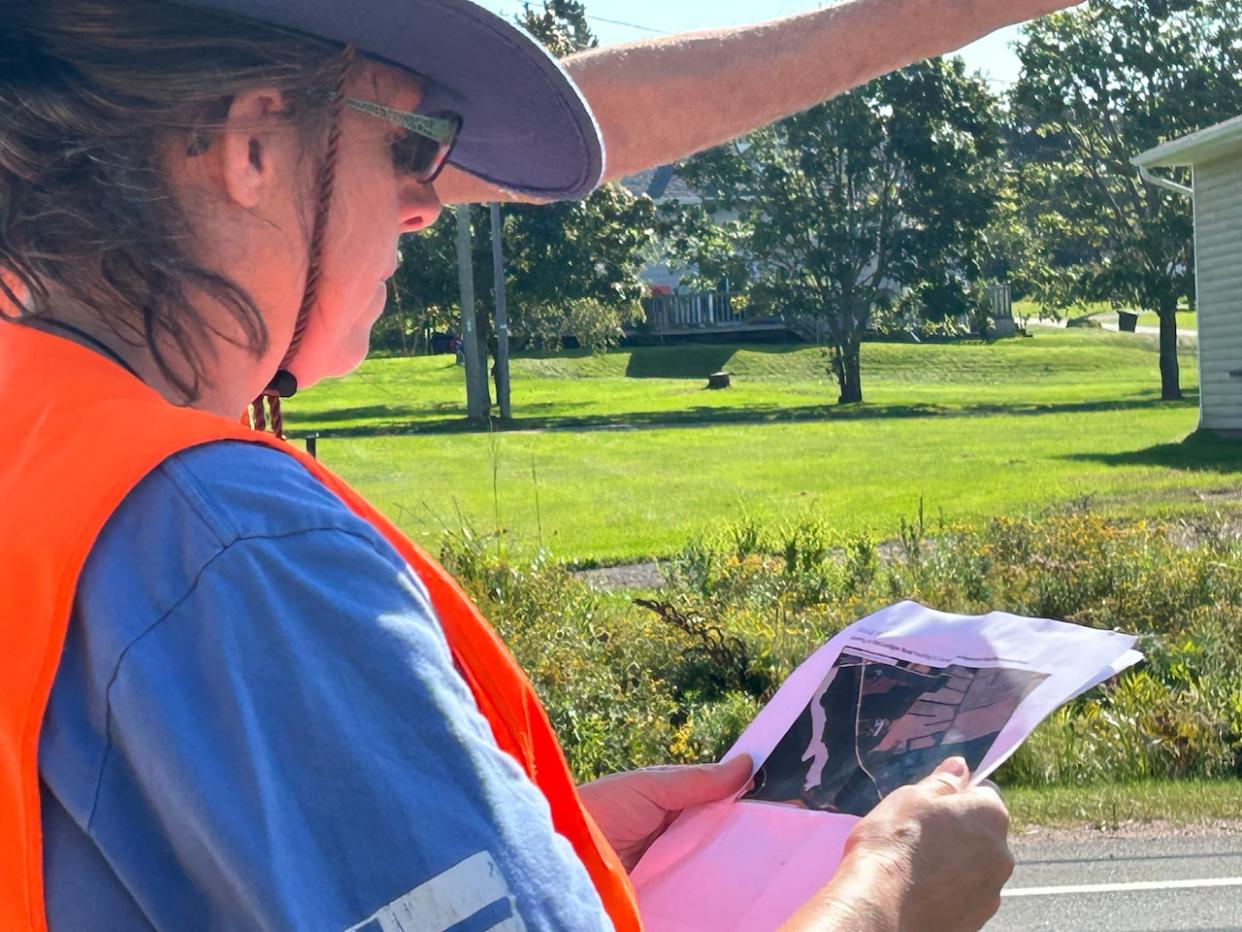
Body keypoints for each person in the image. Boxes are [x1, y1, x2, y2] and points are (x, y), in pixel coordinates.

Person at [0, 0, 1064, 928]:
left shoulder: (44, 455)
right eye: (415, 144)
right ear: (252, 148)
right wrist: (889, 896)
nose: (431, 200)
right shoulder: (232, 544)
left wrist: (530, 843)